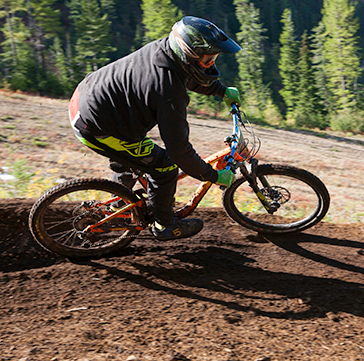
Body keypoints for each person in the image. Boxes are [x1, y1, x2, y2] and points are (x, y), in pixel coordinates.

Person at [68, 16, 242, 241]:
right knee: (165, 167)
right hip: (97, 125)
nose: (211, 63)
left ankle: (121, 206)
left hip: (87, 99)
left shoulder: (164, 50)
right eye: (208, 58)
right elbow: (179, 151)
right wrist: (213, 175)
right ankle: (164, 225)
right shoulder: (169, 93)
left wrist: (220, 90)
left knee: (132, 158)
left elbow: (185, 74)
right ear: (188, 52)